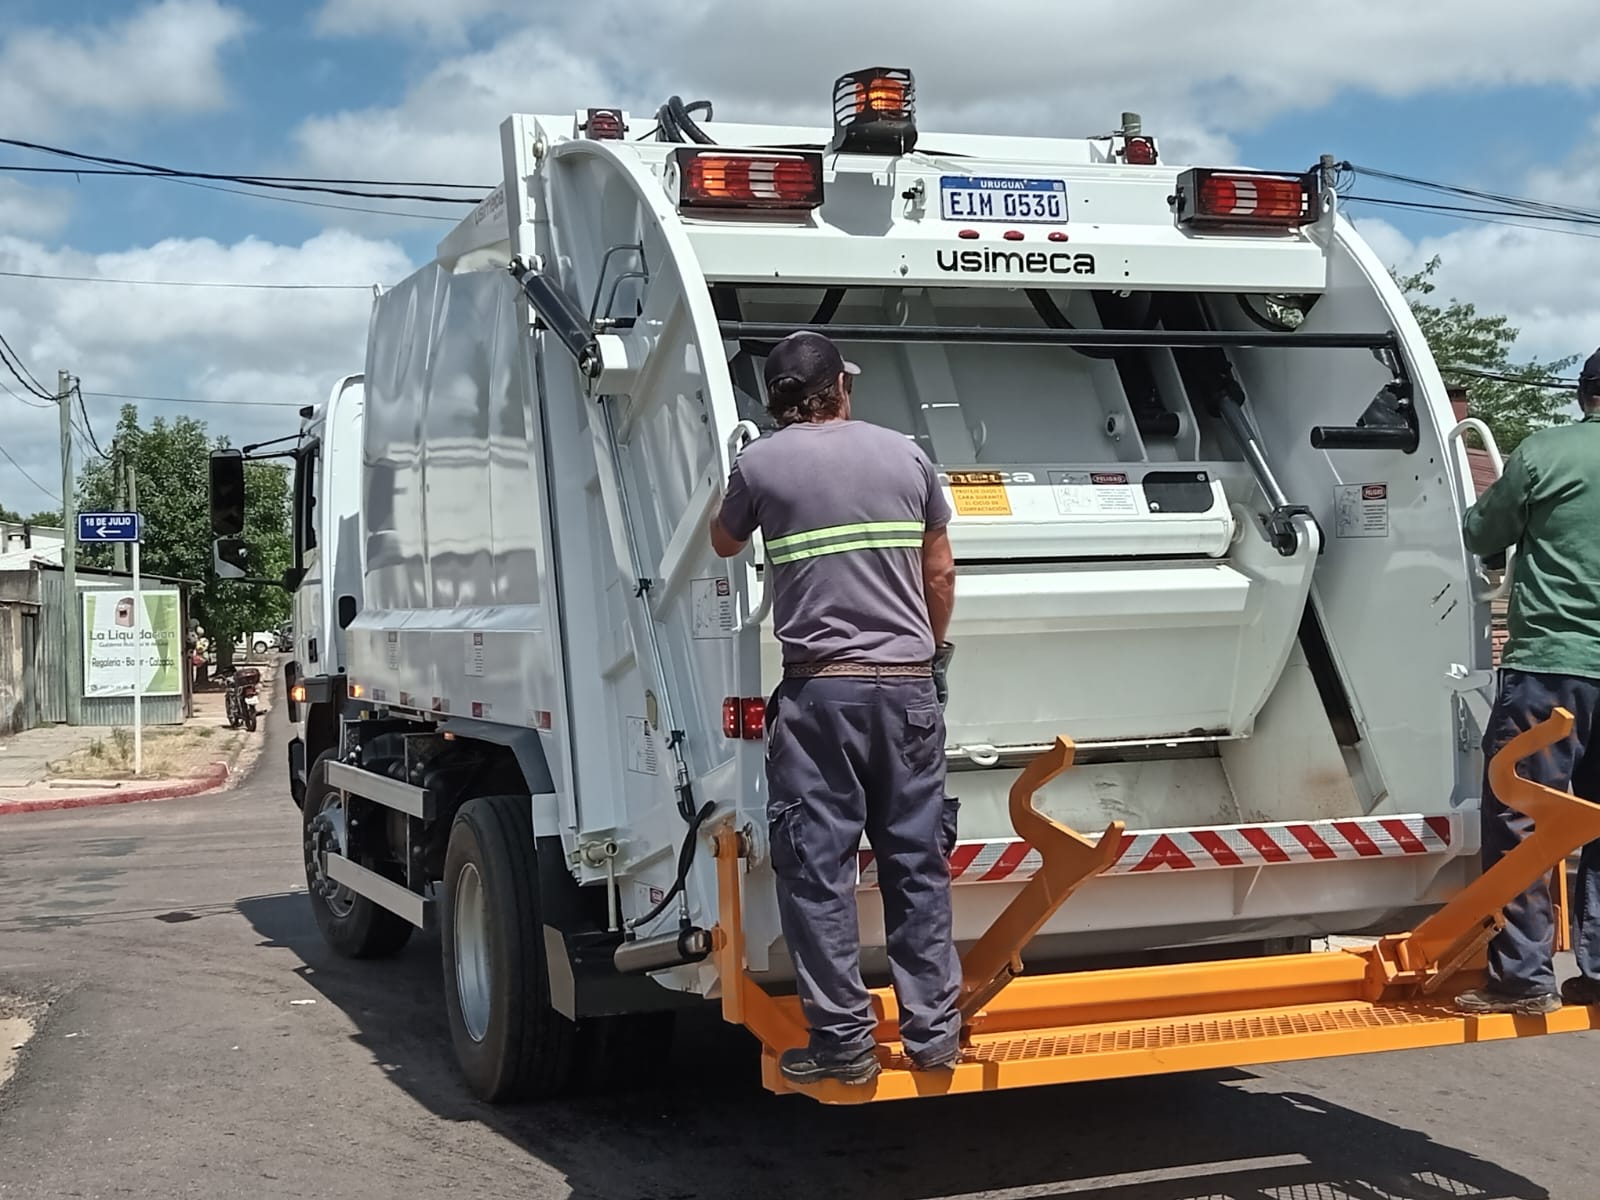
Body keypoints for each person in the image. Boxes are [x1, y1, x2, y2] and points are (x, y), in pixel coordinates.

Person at [709, 331, 960, 1085]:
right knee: (916, 860)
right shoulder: (907, 456)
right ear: (839, 390)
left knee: (818, 869)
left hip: (821, 694)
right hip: (908, 688)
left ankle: (845, 1046)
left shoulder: (760, 465)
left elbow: (723, 544)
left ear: (781, 401)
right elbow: (940, 572)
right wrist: (931, 654)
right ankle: (934, 1035)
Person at [1456, 347, 1600, 1016]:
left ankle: (1522, 978)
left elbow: (1484, 529)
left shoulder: (1547, 452)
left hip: (1552, 669)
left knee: (1521, 816)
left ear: (1583, 394)